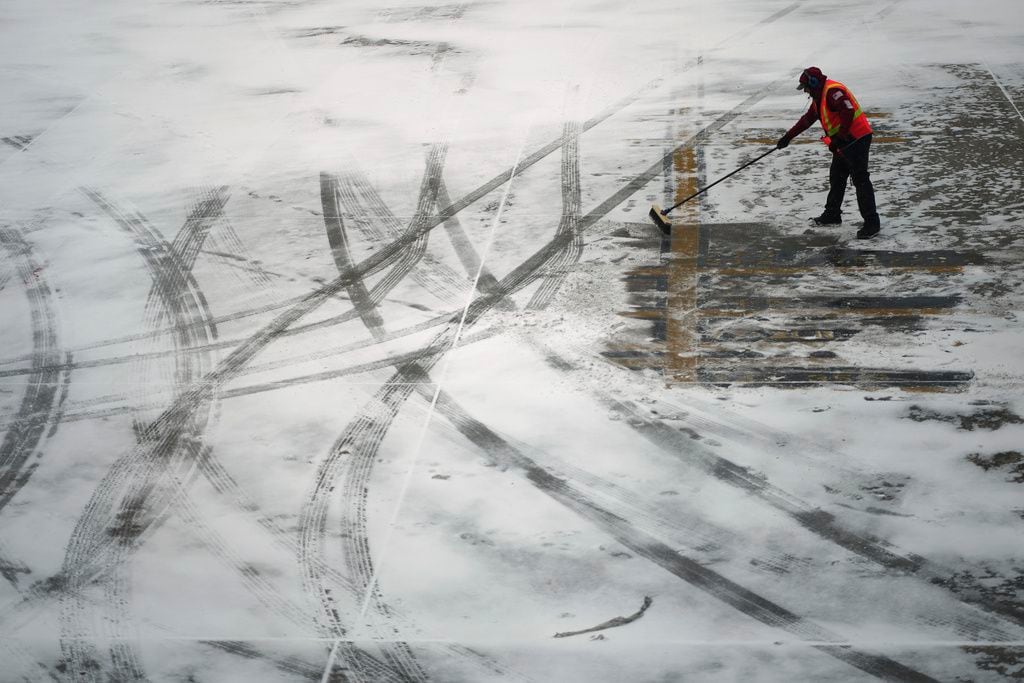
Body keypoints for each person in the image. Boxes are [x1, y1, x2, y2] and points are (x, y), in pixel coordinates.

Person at [776, 67, 880, 239]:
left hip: (857, 139)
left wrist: (840, 136)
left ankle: (872, 223)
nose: (806, 92)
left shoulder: (832, 92)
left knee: (860, 179)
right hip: (845, 142)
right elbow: (807, 120)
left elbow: (848, 110)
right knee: (837, 176)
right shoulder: (819, 98)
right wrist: (788, 137)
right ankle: (832, 214)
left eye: (806, 88)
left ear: (814, 83)